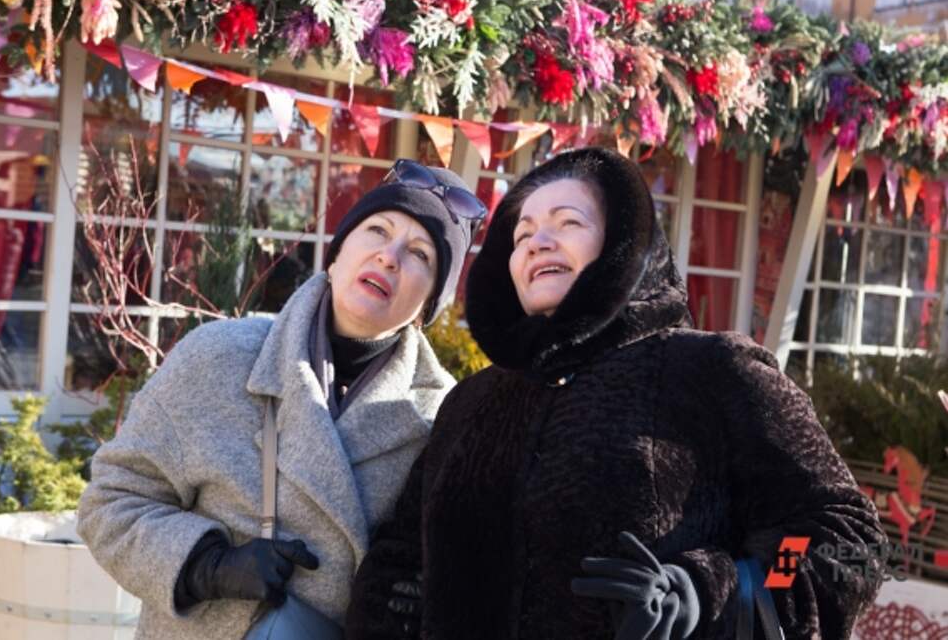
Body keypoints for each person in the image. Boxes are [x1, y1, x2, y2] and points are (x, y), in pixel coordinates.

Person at [345, 147, 886, 640]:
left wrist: (716, 592)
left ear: (625, 243)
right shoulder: (470, 404)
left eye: (568, 223)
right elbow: (399, 561)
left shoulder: (713, 370)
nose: (538, 242)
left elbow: (848, 540)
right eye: (522, 234)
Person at [77, 160, 486, 639]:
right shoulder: (219, 358)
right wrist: (207, 566)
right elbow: (109, 503)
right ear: (337, 254)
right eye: (378, 230)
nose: (389, 256)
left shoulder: (442, 418)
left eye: (420, 254)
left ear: (429, 305)